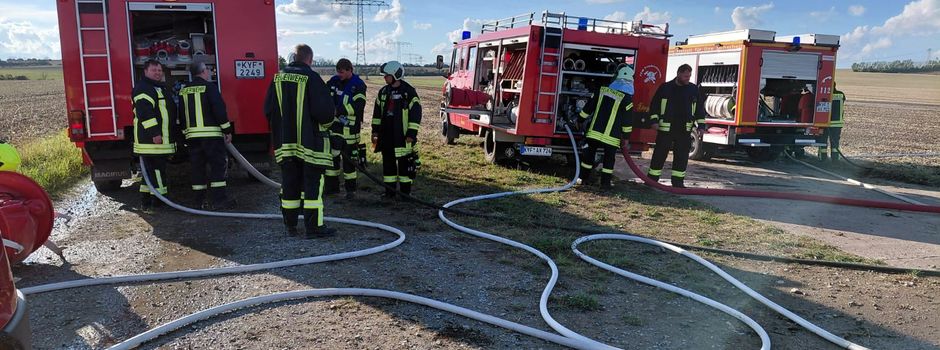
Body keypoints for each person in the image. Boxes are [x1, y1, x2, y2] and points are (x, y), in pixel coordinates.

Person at [263, 44, 336, 237]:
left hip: (285, 145)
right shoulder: (312, 78)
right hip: (310, 144)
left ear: (292, 58)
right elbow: (326, 114)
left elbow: (267, 111)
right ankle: (314, 228)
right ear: (309, 60)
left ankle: (290, 226)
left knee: (289, 184)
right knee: (312, 185)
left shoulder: (277, 79)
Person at [179, 61, 236, 209]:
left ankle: (198, 201)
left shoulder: (184, 91)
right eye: (208, 70)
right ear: (203, 71)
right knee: (218, 166)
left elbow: (181, 114)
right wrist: (227, 130)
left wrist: (185, 132)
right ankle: (219, 200)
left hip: (192, 137)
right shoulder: (210, 88)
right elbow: (219, 110)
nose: (210, 72)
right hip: (211, 135)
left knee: (197, 167)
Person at [646, 64, 705, 188]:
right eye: (685, 76)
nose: (687, 79)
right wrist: (654, 121)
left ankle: (678, 182)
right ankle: (652, 180)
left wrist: (701, 126)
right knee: (659, 155)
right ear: (678, 74)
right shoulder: (665, 88)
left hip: (684, 129)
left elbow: (699, 108)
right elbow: (654, 105)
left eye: (689, 76)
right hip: (666, 128)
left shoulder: (693, 89)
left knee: (682, 156)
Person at [577, 66, 635, 189]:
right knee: (608, 162)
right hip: (612, 138)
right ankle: (605, 184)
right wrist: (626, 137)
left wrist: (579, 120)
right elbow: (627, 122)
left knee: (588, 157)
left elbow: (588, 108)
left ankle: (583, 179)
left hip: (594, 133)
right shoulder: (627, 100)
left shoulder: (602, 91)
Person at [371, 61, 421, 199]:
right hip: (386, 135)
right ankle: (389, 192)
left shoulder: (409, 92)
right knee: (388, 166)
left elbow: (416, 114)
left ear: (395, 75)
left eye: (386, 75)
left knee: (405, 166)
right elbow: (376, 114)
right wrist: (375, 131)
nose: (384, 78)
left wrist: (411, 133)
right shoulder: (383, 92)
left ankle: (405, 194)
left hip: (403, 136)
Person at [133, 59, 178, 209]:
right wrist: (155, 134)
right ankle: (160, 203)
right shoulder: (144, 89)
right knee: (158, 172)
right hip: (151, 142)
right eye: (154, 70)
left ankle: (146, 203)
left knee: (149, 175)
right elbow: (145, 113)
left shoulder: (157, 88)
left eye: (159, 70)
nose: (158, 73)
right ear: (145, 71)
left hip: (157, 142)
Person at [325, 58, 367, 199]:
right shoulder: (334, 81)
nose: (339, 74)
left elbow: (358, 106)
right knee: (332, 160)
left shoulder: (358, 85)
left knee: (349, 163)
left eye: (342, 72)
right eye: (338, 72)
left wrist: (340, 111)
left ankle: (350, 191)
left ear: (350, 70)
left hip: (350, 131)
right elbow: (324, 93)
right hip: (334, 128)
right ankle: (332, 188)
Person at [820, 82, 845, 162]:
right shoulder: (841, 94)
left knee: (823, 140)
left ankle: (823, 158)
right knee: (835, 142)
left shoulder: (823, 94)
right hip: (837, 123)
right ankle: (835, 159)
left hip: (824, 123)